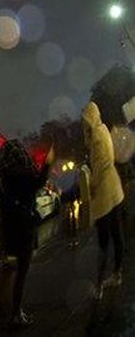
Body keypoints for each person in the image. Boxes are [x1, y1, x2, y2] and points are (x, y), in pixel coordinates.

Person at [0, 139, 54, 327]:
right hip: (24, 228)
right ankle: (16, 313)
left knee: (11, 273)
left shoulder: (3, 180)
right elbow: (39, 182)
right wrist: (48, 162)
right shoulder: (23, 175)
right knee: (22, 273)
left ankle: (6, 310)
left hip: (9, 232)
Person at [82, 101, 125, 300]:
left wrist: (91, 184)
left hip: (104, 194)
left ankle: (99, 285)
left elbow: (100, 165)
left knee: (103, 240)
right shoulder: (104, 130)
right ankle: (117, 274)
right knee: (117, 234)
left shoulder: (97, 137)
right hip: (115, 189)